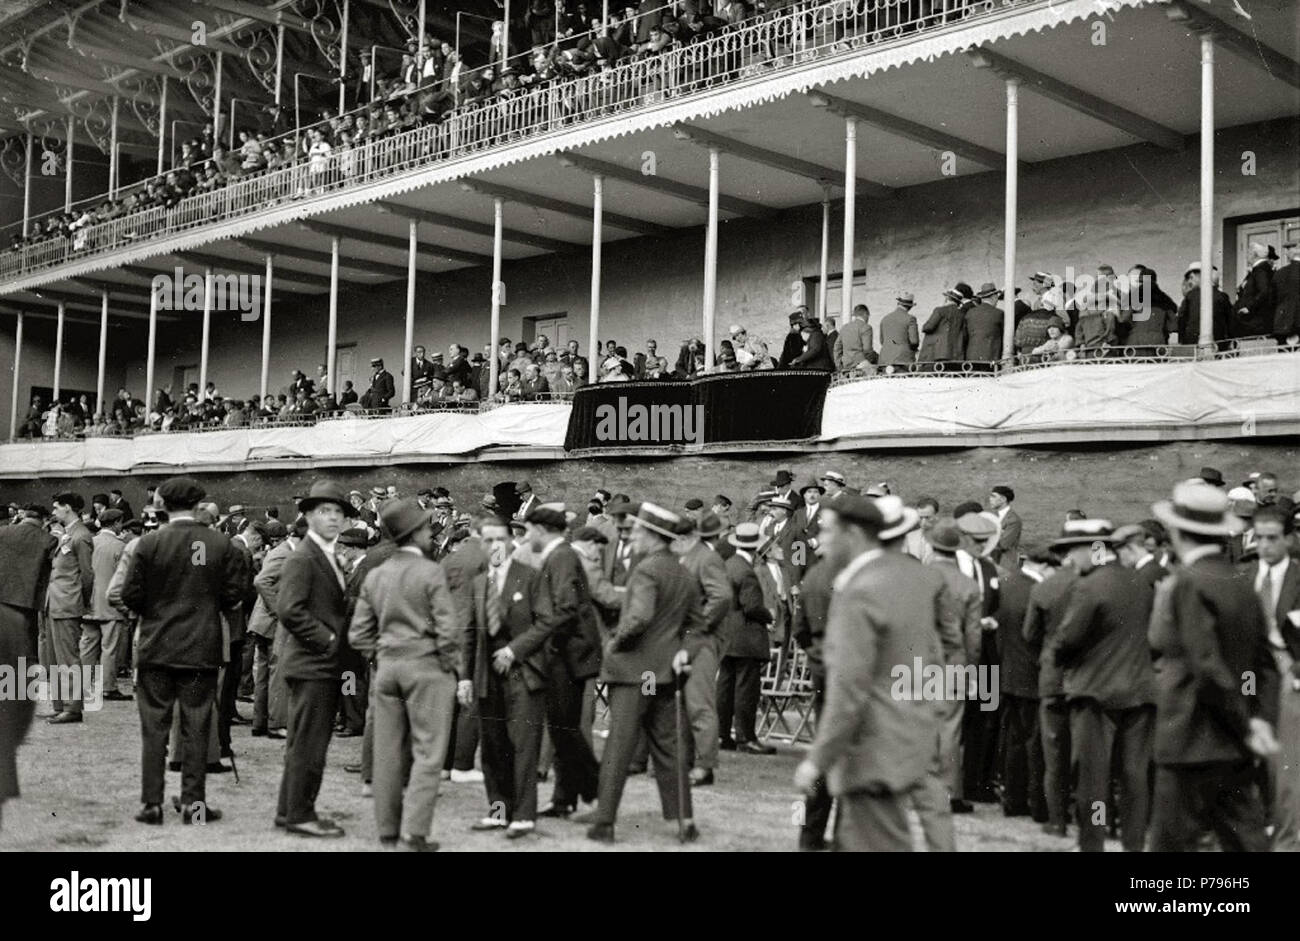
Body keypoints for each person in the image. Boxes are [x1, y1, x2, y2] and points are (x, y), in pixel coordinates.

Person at [793, 495, 945, 851]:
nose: (821, 539)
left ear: (854, 535)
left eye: (828, 531)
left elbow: (848, 690)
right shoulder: (911, 580)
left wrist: (817, 761)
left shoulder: (858, 590)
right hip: (906, 740)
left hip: (869, 749)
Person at [1147, 481, 1280, 851]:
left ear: (1176, 530)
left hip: (1188, 739)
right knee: (1247, 841)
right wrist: (1257, 719)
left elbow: (1205, 664)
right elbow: (1262, 664)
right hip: (1235, 747)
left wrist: (1242, 720)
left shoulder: (1187, 583)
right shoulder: (1242, 582)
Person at [120, 477, 245, 825]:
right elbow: (235, 595)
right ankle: (194, 805)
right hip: (201, 648)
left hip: (157, 645)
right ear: (198, 504)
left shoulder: (149, 543)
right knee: (196, 726)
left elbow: (129, 596)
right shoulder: (220, 543)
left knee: (154, 729)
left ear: (163, 505)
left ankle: (151, 805)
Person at [584, 502, 700, 843]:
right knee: (668, 748)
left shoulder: (646, 570)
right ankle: (684, 821)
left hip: (634, 673)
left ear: (653, 536)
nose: (631, 535)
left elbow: (638, 618)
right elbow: (699, 624)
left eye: (636, 530)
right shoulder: (683, 572)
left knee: (618, 747)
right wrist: (683, 652)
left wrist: (613, 644)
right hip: (662, 676)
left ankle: (604, 823)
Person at [349, 498, 460, 851]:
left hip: (387, 668)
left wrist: (380, 655)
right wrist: (450, 665)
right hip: (426, 668)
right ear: (415, 534)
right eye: (427, 528)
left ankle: (387, 831)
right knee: (428, 753)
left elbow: (358, 634)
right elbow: (448, 629)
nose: (431, 533)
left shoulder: (377, 574)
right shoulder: (430, 572)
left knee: (387, 752)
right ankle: (415, 833)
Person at [1051, 520, 1156, 852]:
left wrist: (1062, 658)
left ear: (1091, 549)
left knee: (1093, 781)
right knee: (1134, 779)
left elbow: (1067, 640)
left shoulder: (1090, 586)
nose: (1069, 560)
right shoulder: (1143, 582)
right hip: (1140, 692)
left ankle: (1093, 843)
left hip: (1096, 695)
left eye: (1071, 551)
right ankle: (1133, 844)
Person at [274, 480, 358, 838]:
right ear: (307, 515)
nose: (333, 518)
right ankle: (301, 814)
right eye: (324, 511)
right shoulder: (304, 556)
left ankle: (288, 809)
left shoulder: (324, 554)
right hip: (313, 665)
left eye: (338, 512)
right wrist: (329, 640)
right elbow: (289, 610)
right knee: (310, 743)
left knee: (302, 741)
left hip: (316, 664)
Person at [462, 518, 547, 838]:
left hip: (522, 674)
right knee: (494, 746)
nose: (494, 546)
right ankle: (499, 811)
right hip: (488, 677)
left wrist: (514, 650)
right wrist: (465, 678)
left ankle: (523, 815)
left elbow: (547, 622)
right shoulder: (479, 583)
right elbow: (469, 634)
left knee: (523, 746)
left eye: (500, 539)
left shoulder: (531, 577)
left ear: (512, 540)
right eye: (487, 541)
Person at [524, 504, 603, 819]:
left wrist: (543, 646)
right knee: (561, 729)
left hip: (565, 656)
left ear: (542, 530)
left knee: (564, 728)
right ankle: (564, 798)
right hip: (565, 654)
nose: (527, 536)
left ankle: (597, 793)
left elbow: (565, 609)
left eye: (529, 529)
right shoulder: (561, 556)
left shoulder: (561, 557)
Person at [1247, 505, 1300, 849]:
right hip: (1246, 675)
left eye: (1272, 538)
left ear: (1289, 539)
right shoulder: (1242, 577)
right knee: (1246, 761)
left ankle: (1287, 842)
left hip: (1286, 676)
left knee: (1285, 766)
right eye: (1259, 538)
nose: (1265, 546)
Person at [0, 507, 55, 828]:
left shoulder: (4, 532)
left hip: (2, 597)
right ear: (44, 518)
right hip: (26, 604)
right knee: (20, 658)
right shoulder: (48, 539)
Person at [674, 512, 732, 786]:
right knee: (683, 704)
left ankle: (705, 766)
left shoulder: (706, 558)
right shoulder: (689, 557)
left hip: (701, 641)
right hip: (685, 639)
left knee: (699, 704)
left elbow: (721, 597)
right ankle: (684, 762)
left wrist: (698, 627)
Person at [718, 522, 776, 755]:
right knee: (746, 690)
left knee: (725, 686)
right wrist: (768, 615)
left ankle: (722, 735)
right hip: (746, 636)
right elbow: (751, 606)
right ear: (755, 547)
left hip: (727, 635)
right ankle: (745, 737)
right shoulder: (746, 571)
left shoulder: (729, 564)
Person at [45, 492, 94, 725]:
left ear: (68, 508)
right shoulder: (67, 534)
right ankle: (60, 705)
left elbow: (87, 575)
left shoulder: (81, 536)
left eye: (57, 508)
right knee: (55, 659)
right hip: (56, 603)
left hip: (67, 604)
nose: (53, 512)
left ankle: (73, 707)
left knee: (68, 659)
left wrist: (80, 602)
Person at [82, 509, 131, 702]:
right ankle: (108, 687)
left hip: (89, 603)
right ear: (117, 523)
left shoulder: (90, 542)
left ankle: (83, 685)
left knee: (86, 646)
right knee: (109, 648)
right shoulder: (120, 546)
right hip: (110, 605)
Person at [988, 485, 1021, 565]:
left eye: (993, 496)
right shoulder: (992, 516)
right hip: (991, 560)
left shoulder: (1014, 520)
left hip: (1005, 563)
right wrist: (999, 533)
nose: (990, 499)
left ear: (1003, 499)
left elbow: (1003, 544)